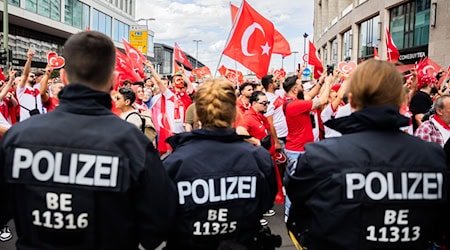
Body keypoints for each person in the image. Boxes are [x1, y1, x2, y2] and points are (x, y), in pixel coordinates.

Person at [0, 31, 177, 249]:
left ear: (63, 78)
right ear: (113, 80)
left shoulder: (18, 138)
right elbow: (159, 223)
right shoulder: (132, 143)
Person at [285, 59, 449, 250]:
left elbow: (301, 221)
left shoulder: (320, 157)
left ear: (352, 101)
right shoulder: (433, 157)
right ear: (403, 101)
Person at [163, 78, 278, 250]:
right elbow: (266, 202)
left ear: (198, 114)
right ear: (234, 112)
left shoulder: (174, 163)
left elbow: (158, 222)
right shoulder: (258, 158)